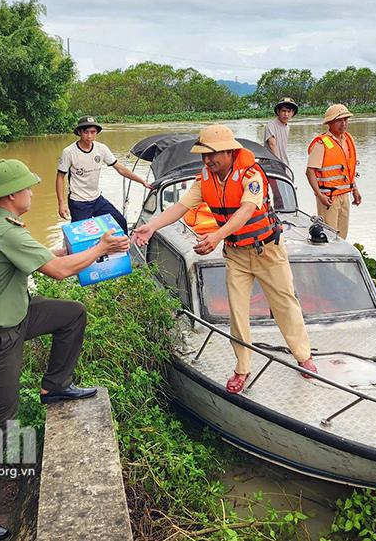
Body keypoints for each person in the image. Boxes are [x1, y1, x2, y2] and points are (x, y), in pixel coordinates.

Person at [0, 158, 130, 541]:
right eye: (28, 187)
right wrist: (100, 246)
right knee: (2, 421)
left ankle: (55, 386)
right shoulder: (5, 232)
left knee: (71, 315)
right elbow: (60, 271)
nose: (34, 192)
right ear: (12, 195)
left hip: (16, 315)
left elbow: (44, 259)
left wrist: (70, 245)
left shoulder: (3, 227)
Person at [132, 125, 316, 395]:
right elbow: (181, 207)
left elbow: (246, 211)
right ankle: (242, 368)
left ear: (230, 152)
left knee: (285, 304)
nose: (207, 161)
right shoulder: (205, 179)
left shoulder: (252, 175)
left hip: (268, 252)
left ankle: (304, 357)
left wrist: (216, 236)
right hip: (236, 255)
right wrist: (152, 226)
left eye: (212, 155)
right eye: (204, 156)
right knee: (237, 313)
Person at [56, 115, 150, 231]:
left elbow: (120, 168)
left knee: (119, 222)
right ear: (79, 132)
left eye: (93, 132)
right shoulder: (69, 152)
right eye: (86, 132)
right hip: (78, 202)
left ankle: (122, 247)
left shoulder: (101, 149)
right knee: (82, 234)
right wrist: (61, 204)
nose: (89, 136)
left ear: (96, 132)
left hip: (97, 199)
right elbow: (60, 178)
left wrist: (142, 182)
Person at [305, 104, 360, 239]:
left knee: (342, 235)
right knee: (329, 235)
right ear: (329, 123)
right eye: (339, 120)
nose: (344, 123)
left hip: (344, 195)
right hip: (328, 197)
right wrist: (319, 194)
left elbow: (348, 169)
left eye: (346, 120)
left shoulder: (347, 140)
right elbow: (310, 171)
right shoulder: (322, 143)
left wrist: (355, 189)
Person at [263, 96, 298, 165]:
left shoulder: (287, 127)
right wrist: (278, 163)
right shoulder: (271, 125)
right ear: (278, 111)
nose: (286, 114)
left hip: (284, 163)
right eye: (283, 111)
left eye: (289, 111)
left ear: (292, 113)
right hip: (272, 163)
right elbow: (272, 145)